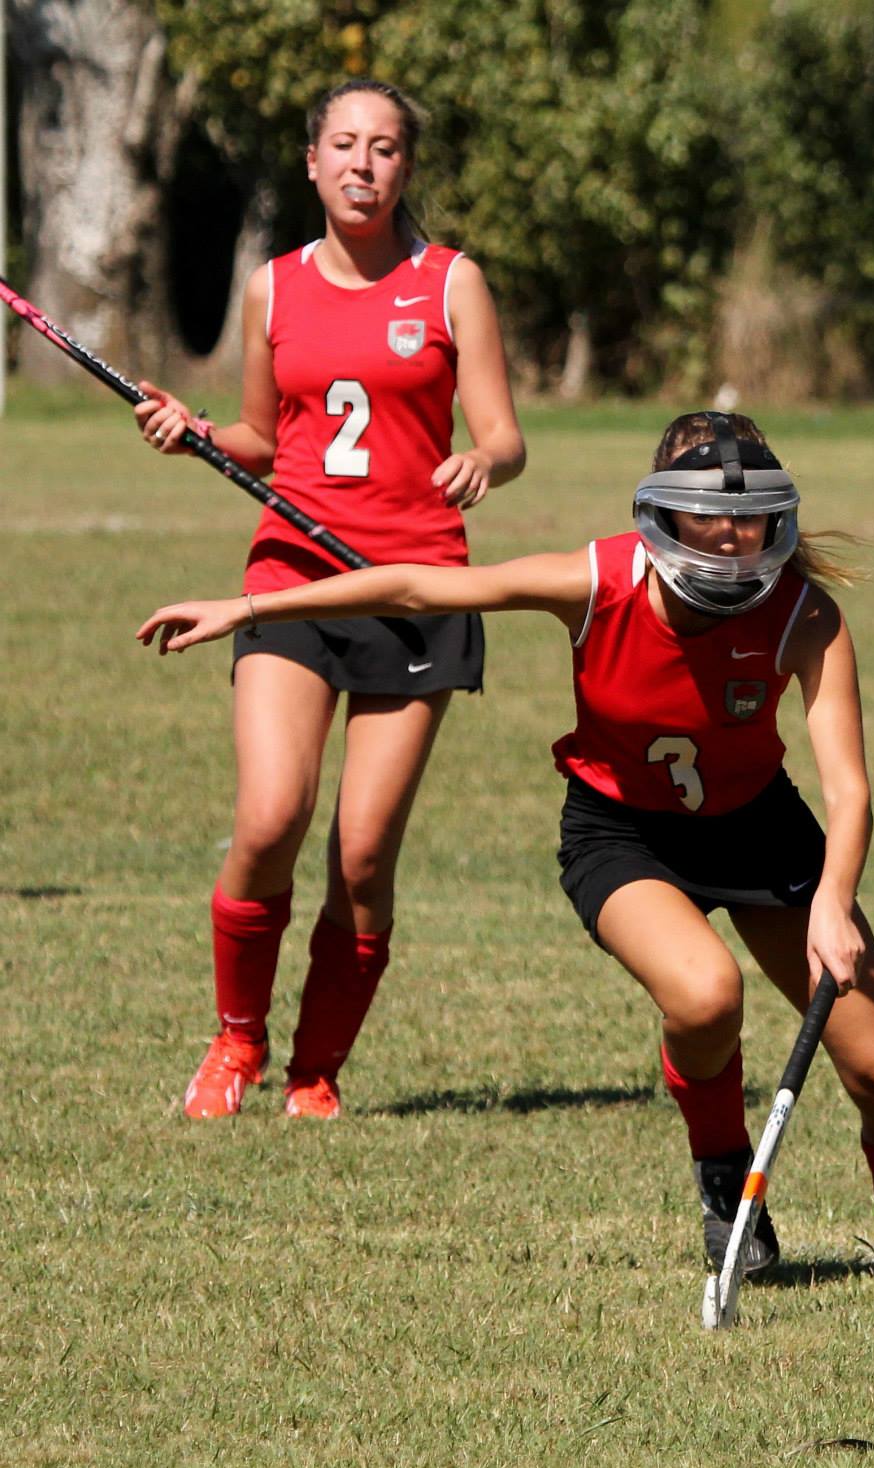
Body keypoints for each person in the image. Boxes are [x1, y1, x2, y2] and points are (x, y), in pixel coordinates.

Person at [137, 410, 874, 1284]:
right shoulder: (597, 581)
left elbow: (848, 789)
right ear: (662, 514)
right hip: (623, 834)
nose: (732, 539)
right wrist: (246, 606)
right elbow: (415, 590)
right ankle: (724, 1178)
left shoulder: (805, 614)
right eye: (709, 516)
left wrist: (833, 900)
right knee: (705, 996)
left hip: (761, 832)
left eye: (751, 519)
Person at [132, 80, 526, 1120]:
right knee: (269, 816)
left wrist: (482, 459)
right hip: (292, 578)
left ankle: (316, 1071)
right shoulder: (273, 287)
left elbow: (505, 434)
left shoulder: (451, 284)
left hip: (420, 588)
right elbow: (264, 438)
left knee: (361, 854)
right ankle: (237, 1042)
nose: (363, 164)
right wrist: (199, 430)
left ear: (405, 167)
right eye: (344, 145)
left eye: (385, 148)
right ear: (311, 162)